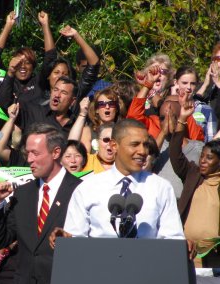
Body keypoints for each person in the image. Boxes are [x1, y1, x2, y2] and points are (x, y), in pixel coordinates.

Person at [0, 123, 82, 284]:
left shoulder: (80, 192)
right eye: (27, 153)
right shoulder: (23, 193)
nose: (29, 159)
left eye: (35, 153)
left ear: (56, 153)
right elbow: (1, 239)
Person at [50, 119, 185, 241]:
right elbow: (75, 240)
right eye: (135, 144)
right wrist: (66, 238)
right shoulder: (88, 188)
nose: (143, 151)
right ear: (114, 146)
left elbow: (172, 239)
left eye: (145, 145)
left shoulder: (161, 187)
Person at [170, 92, 220, 267]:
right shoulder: (193, 174)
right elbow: (176, 155)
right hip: (187, 252)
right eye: (202, 156)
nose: (202, 160)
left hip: (215, 256)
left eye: (209, 158)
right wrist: (182, 120)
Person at [0, 11, 56, 112]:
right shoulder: (8, 78)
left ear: (33, 66)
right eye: (19, 62)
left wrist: (45, 25)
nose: (23, 66)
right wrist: (8, 26)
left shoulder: (39, 81)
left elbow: (51, 57)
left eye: (27, 62)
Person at [127, 65, 204, 141]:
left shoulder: (189, 124)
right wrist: (148, 84)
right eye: (163, 118)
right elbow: (133, 116)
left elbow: (197, 145)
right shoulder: (154, 123)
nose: (168, 121)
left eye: (173, 117)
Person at [172, 65, 217, 142]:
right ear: (176, 82)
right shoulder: (167, 106)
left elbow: (211, 142)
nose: (189, 87)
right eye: (184, 83)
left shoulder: (205, 109)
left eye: (192, 83)